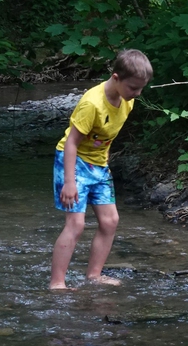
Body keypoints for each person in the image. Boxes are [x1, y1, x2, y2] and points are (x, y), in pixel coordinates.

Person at [49, 50, 153, 290]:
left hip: (98, 165)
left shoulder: (127, 100)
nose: (137, 94)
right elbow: (72, 143)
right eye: (133, 88)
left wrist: (103, 163)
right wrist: (69, 182)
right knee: (76, 225)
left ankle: (94, 275)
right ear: (115, 78)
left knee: (110, 221)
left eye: (141, 89)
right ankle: (57, 283)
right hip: (73, 162)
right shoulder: (91, 104)